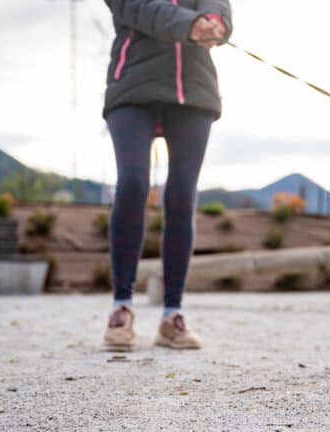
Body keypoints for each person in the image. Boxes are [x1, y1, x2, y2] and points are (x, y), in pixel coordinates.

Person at [101, 0, 232, 350]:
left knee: (183, 195)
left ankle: (172, 315)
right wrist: (191, 24)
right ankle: (121, 307)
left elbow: (218, 6)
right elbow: (140, 9)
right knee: (132, 183)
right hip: (132, 88)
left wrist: (214, 21)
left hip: (194, 92)